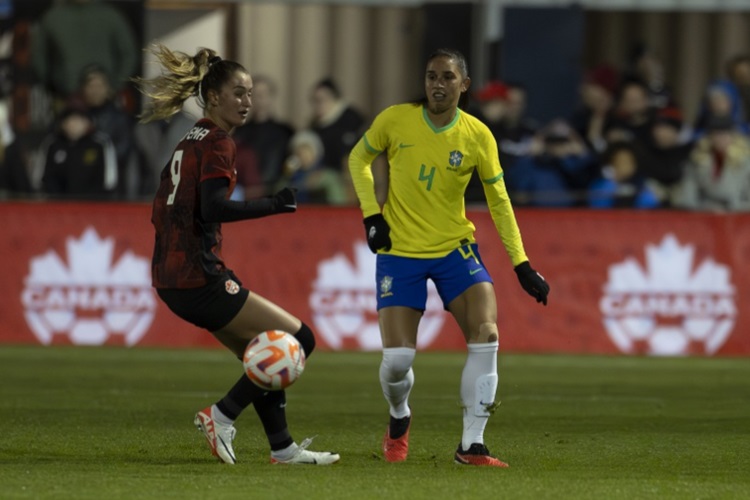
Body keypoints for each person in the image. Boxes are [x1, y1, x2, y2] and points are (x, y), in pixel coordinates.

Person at [133, 44, 340, 466]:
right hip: (198, 277)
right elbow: (212, 208)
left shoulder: (187, 140)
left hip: (173, 278)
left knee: (262, 350)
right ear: (213, 98)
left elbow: (168, 209)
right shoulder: (219, 143)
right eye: (239, 93)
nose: (247, 101)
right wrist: (274, 204)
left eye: (249, 93)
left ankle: (282, 448)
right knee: (299, 339)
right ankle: (223, 414)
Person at [348, 48, 550, 467]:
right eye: (430, 76)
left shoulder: (477, 135)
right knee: (397, 364)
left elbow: (499, 202)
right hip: (399, 252)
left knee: (487, 334)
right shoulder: (395, 120)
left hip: (455, 250)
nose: (437, 84)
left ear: (464, 84)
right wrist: (372, 215)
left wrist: (521, 263)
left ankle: (471, 446)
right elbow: (358, 158)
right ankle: (399, 417)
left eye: (446, 77)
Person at [36, 102, 118, 199]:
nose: (73, 124)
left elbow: (109, 180)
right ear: (62, 124)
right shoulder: (52, 144)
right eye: (69, 120)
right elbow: (42, 177)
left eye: (79, 120)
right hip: (57, 204)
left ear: (88, 123)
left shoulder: (100, 144)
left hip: (94, 204)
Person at [310, 77, 365, 173]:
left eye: (320, 100)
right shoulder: (315, 125)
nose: (317, 106)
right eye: (314, 101)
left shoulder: (351, 119)